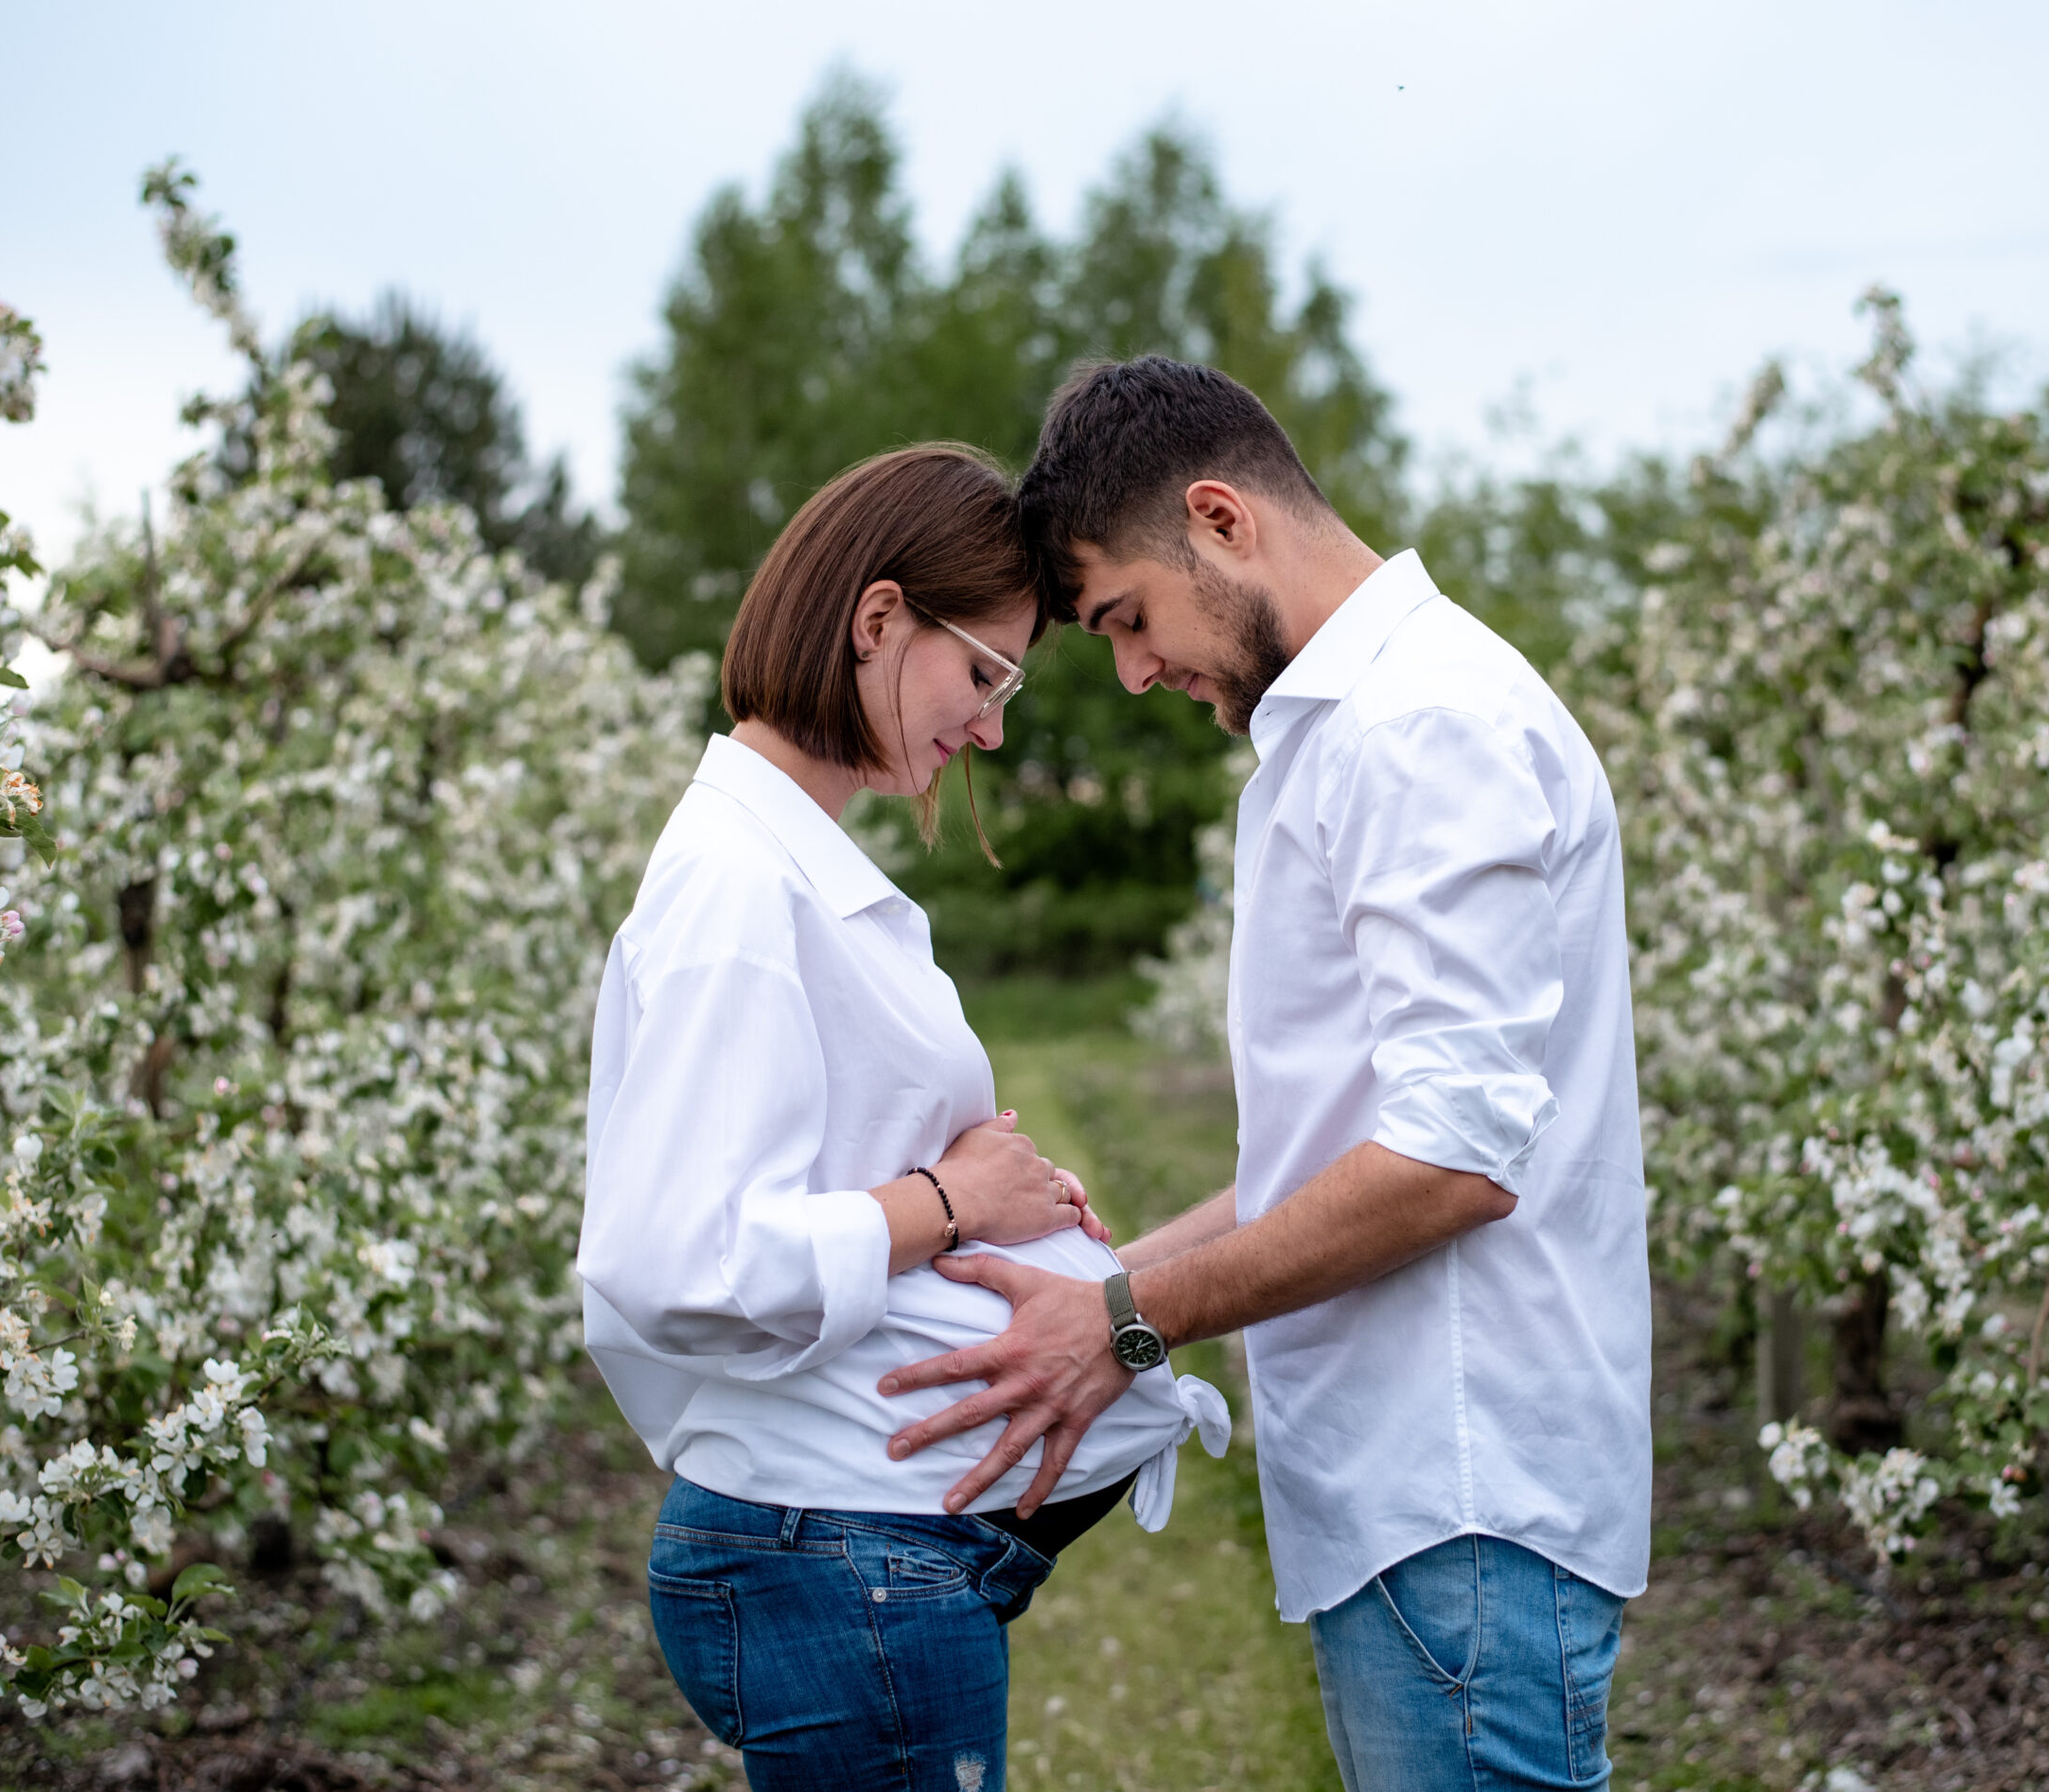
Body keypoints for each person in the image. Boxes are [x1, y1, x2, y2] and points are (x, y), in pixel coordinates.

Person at [875, 362, 1651, 1791]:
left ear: (1221, 520)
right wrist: (1082, 1288)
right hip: (1419, 1507)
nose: (1133, 670)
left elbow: (1449, 1164)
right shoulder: (1359, 727)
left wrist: (1119, 1323)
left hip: (1461, 1503)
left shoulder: (1422, 729)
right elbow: (1347, 1153)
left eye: (1126, 618)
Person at [575, 443, 1227, 1791]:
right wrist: (954, 1207)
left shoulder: (787, 870)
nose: (992, 725)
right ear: (879, 620)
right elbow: (676, 1262)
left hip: (864, 1560)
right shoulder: (739, 892)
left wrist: (992, 1186)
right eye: (984, 672)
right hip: (843, 1563)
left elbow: (827, 1166)